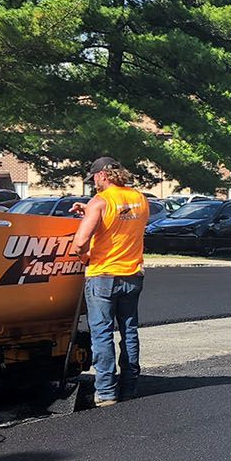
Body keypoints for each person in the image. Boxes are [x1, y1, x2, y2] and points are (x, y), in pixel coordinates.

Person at [65, 157, 148, 406]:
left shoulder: (100, 202)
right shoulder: (140, 199)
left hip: (103, 276)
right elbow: (122, 225)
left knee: (101, 334)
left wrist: (84, 255)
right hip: (132, 275)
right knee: (129, 332)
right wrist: (91, 211)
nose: (93, 183)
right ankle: (130, 387)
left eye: (94, 178)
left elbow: (79, 242)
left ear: (103, 175)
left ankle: (106, 392)